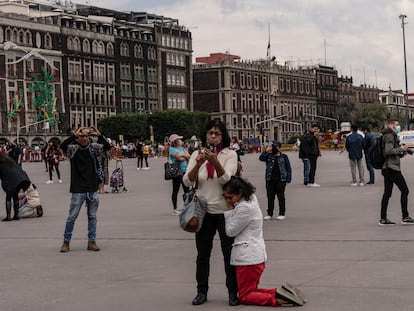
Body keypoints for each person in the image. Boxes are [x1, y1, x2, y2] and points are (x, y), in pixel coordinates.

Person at [223, 176, 305, 307]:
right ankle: (280, 293)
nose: (227, 200)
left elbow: (230, 231)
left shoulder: (244, 208)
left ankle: (278, 299)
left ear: (239, 193)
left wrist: (228, 209)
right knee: (251, 290)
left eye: (229, 197)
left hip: (247, 257)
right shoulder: (251, 200)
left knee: (245, 296)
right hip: (254, 256)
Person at [183, 119, 239, 306]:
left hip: (224, 212)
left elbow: (227, 180)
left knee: (228, 253)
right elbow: (187, 182)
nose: (213, 136)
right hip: (203, 212)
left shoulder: (230, 155)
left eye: (217, 133)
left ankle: (232, 291)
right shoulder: (196, 155)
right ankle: (201, 291)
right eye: (210, 133)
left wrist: (215, 161)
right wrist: (198, 164)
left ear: (223, 136)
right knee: (202, 254)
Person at [59, 126, 111, 252]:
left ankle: (92, 242)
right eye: (82, 136)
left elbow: (108, 147)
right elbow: (62, 146)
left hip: (92, 188)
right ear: (77, 139)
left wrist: (99, 135)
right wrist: (73, 134)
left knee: (92, 216)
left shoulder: (94, 148)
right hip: (78, 189)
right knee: (72, 216)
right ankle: (66, 242)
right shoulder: (73, 150)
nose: (85, 138)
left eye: (87, 136)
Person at [379, 119, 414, 226]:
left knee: (387, 193)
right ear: (391, 125)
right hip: (391, 168)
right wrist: (401, 149)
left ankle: (383, 219)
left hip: (388, 167)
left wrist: (403, 152)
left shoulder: (389, 135)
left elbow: (392, 152)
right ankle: (405, 217)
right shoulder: (389, 136)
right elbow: (388, 151)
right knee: (405, 190)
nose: (398, 126)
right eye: (396, 125)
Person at [259, 141, 292, 220]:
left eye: (275, 147)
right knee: (270, 197)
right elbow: (261, 158)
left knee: (281, 196)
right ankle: (269, 213)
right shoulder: (269, 156)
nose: (274, 148)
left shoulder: (284, 156)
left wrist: (288, 178)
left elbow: (288, 168)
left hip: (281, 179)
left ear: (279, 148)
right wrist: (266, 150)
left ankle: (282, 213)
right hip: (270, 179)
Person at [0, 152, 31, 221]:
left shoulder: (1, 163)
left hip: (10, 180)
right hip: (19, 179)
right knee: (15, 196)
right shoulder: (9, 160)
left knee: (8, 197)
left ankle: (8, 216)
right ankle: (16, 216)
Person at [168, 134, 190, 215]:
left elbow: (189, 156)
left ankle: (186, 207)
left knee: (187, 190)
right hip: (177, 172)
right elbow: (180, 159)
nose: (181, 141)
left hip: (185, 171)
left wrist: (182, 155)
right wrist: (184, 156)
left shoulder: (182, 148)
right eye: (179, 139)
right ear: (175, 141)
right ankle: (175, 208)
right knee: (175, 190)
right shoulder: (172, 149)